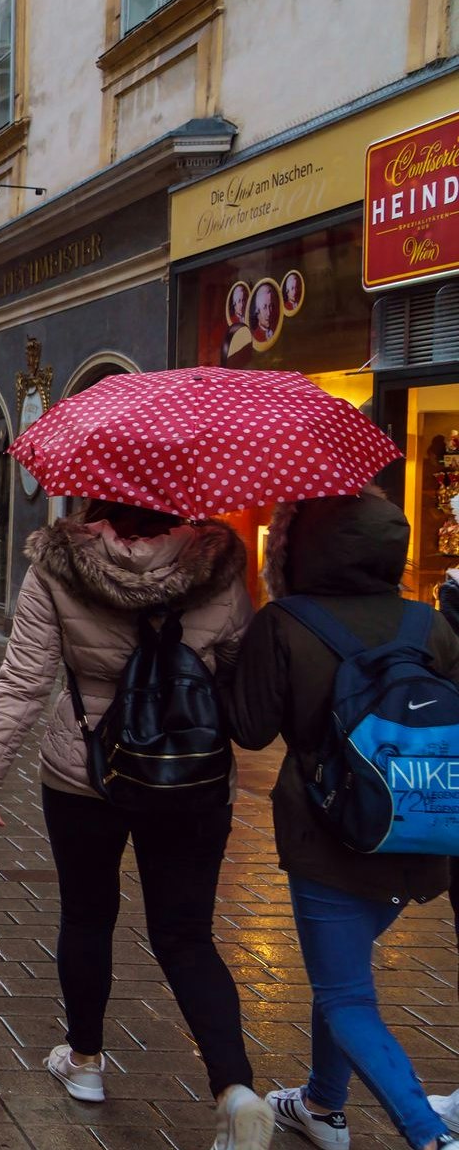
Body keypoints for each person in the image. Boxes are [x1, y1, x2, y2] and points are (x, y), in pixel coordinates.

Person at [0, 501, 268, 1148]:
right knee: (187, 936)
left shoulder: (58, 565)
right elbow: (241, 681)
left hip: (85, 770)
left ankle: (87, 1061)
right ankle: (234, 1090)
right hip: (192, 776)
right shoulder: (219, 567)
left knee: (88, 913)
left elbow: (25, 678)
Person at [222, 493, 459, 1150]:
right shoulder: (428, 623)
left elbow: (250, 726)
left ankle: (429, 1134)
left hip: (328, 834)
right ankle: (323, 1105)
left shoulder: (286, 621)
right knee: (344, 972)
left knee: (348, 995)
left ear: (298, 548)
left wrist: (225, 665)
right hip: (419, 828)